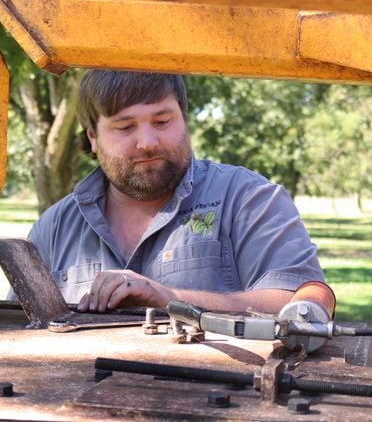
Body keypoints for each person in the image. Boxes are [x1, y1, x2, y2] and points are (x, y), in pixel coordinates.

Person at [28, 70, 328, 315]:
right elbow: (19, 324)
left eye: (162, 121)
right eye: (124, 127)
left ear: (184, 120)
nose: (147, 141)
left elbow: (297, 304)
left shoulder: (250, 199)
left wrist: (169, 298)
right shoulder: (53, 228)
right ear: (93, 137)